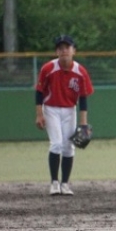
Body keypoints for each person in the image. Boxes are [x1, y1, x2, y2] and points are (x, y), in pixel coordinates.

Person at [35, 35, 94, 196]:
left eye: (67, 47)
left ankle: (65, 184)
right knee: (56, 144)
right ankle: (54, 183)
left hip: (69, 110)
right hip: (51, 109)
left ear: (74, 51)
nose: (64, 51)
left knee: (69, 147)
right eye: (60, 48)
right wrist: (39, 114)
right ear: (56, 52)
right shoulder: (48, 68)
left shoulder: (80, 72)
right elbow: (39, 92)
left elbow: (83, 98)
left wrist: (83, 124)